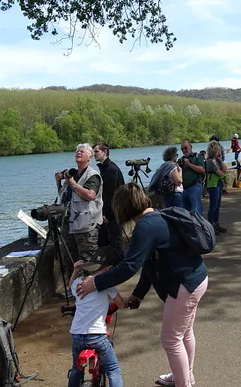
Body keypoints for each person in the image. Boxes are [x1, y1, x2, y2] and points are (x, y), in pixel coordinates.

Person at [76, 183, 209, 387]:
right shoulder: (157, 216)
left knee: (171, 339)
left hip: (184, 285)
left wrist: (96, 281)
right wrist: (138, 294)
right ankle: (185, 375)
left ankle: (184, 382)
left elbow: (129, 266)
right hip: (196, 278)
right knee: (184, 333)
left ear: (125, 207)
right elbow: (150, 262)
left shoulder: (145, 227)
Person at [67, 246, 126, 387]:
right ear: (109, 269)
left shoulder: (79, 283)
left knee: (76, 369)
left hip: (77, 335)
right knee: (113, 369)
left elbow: (70, 286)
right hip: (97, 336)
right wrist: (125, 302)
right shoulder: (105, 283)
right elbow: (120, 303)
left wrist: (75, 270)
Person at [56, 143, 103, 273]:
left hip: (86, 225)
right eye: (77, 151)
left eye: (82, 151)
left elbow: (90, 195)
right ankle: (74, 289)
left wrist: (73, 184)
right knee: (70, 259)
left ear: (90, 157)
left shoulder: (92, 175)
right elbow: (64, 197)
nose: (78, 153)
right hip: (69, 223)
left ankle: (91, 289)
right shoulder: (72, 174)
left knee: (88, 261)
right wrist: (59, 182)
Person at [93, 143, 126, 258]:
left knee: (116, 241)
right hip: (109, 210)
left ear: (105, 152)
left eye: (96, 151)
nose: (94, 154)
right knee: (105, 241)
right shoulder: (105, 168)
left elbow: (111, 193)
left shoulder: (111, 169)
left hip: (113, 211)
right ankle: (111, 265)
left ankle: (122, 266)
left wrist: (107, 213)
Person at [205, 140, 228, 235]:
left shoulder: (217, 161)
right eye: (219, 150)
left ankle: (216, 223)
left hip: (218, 183)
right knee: (213, 206)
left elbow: (225, 170)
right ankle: (211, 226)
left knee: (217, 206)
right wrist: (222, 172)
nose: (220, 152)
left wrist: (220, 160)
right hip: (213, 185)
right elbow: (220, 173)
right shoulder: (210, 161)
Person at [179, 140, 205, 215]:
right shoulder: (180, 160)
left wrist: (189, 164)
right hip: (184, 189)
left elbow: (202, 170)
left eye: (186, 148)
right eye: (182, 149)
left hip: (195, 187)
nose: (184, 150)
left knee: (196, 211)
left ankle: (200, 226)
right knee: (186, 214)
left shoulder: (197, 156)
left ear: (190, 147)